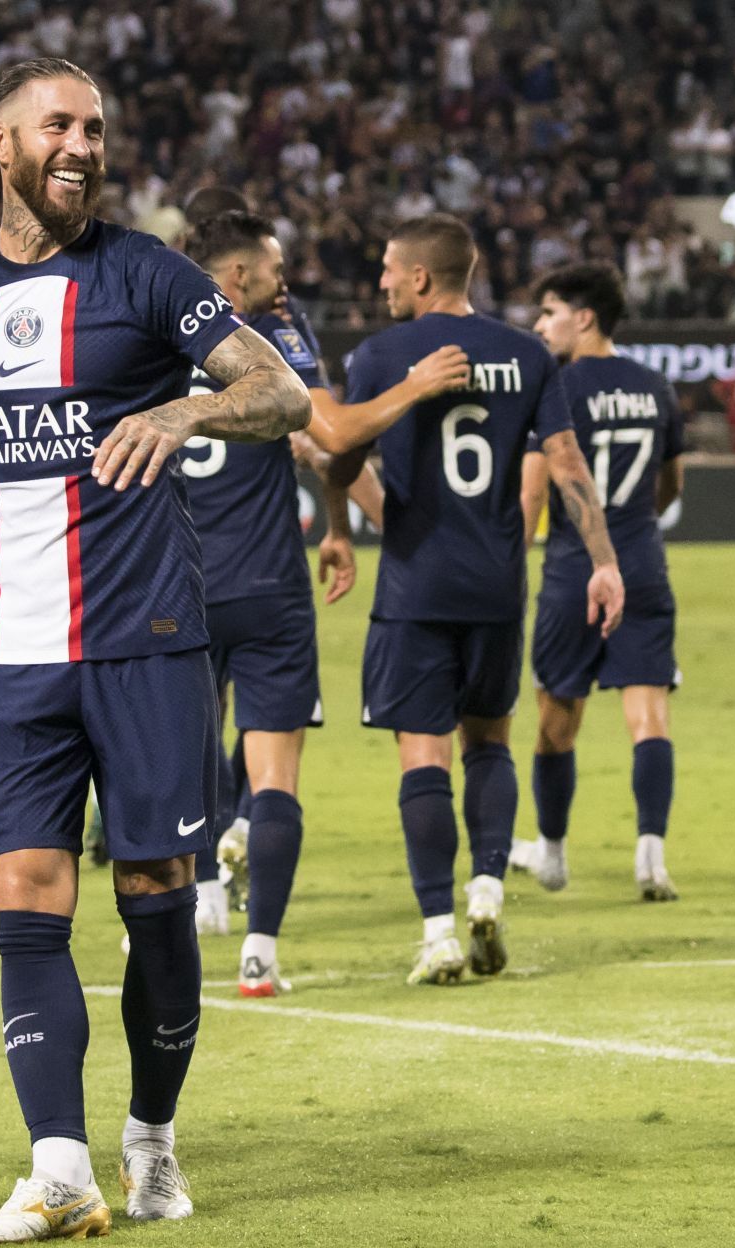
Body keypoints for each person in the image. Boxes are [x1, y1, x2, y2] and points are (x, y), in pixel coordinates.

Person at [0, 57, 309, 1243]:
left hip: (145, 640)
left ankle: (151, 1138)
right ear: (1, 142)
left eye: (94, 127)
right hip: (9, 654)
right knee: (26, 891)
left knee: (154, 894)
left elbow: (282, 395)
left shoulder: (147, 273)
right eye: (58, 126)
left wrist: (184, 409)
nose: (82, 144)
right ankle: (60, 1168)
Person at [318, 215, 624, 985]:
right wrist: (604, 561)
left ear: (421, 276)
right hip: (497, 583)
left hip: (416, 579)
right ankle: (487, 887)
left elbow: (340, 450)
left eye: (389, 268)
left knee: (422, 755)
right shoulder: (527, 354)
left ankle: (439, 931)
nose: (381, 280)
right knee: (489, 742)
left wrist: (336, 521)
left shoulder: (381, 354)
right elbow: (565, 461)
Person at [181, 210, 434, 995]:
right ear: (236, 278)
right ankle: (261, 953)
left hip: (173, 591)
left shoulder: (147, 339)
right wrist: (415, 388)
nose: (286, 283)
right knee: (276, 778)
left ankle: (184, 915)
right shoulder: (272, 345)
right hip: (266, 588)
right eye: (274, 269)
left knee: (176, 771)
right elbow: (328, 433)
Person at [511, 263, 685, 901]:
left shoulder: (555, 387)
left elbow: (534, 490)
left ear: (584, 317)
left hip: (571, 569)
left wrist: (514, 558)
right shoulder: (655, 386)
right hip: (641, 562)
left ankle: (552, 853)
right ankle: (651, 857)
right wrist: (635, 518)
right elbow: (673, 486)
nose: (538, 324)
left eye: (549, 311)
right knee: (649, 717)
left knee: (557, 717)